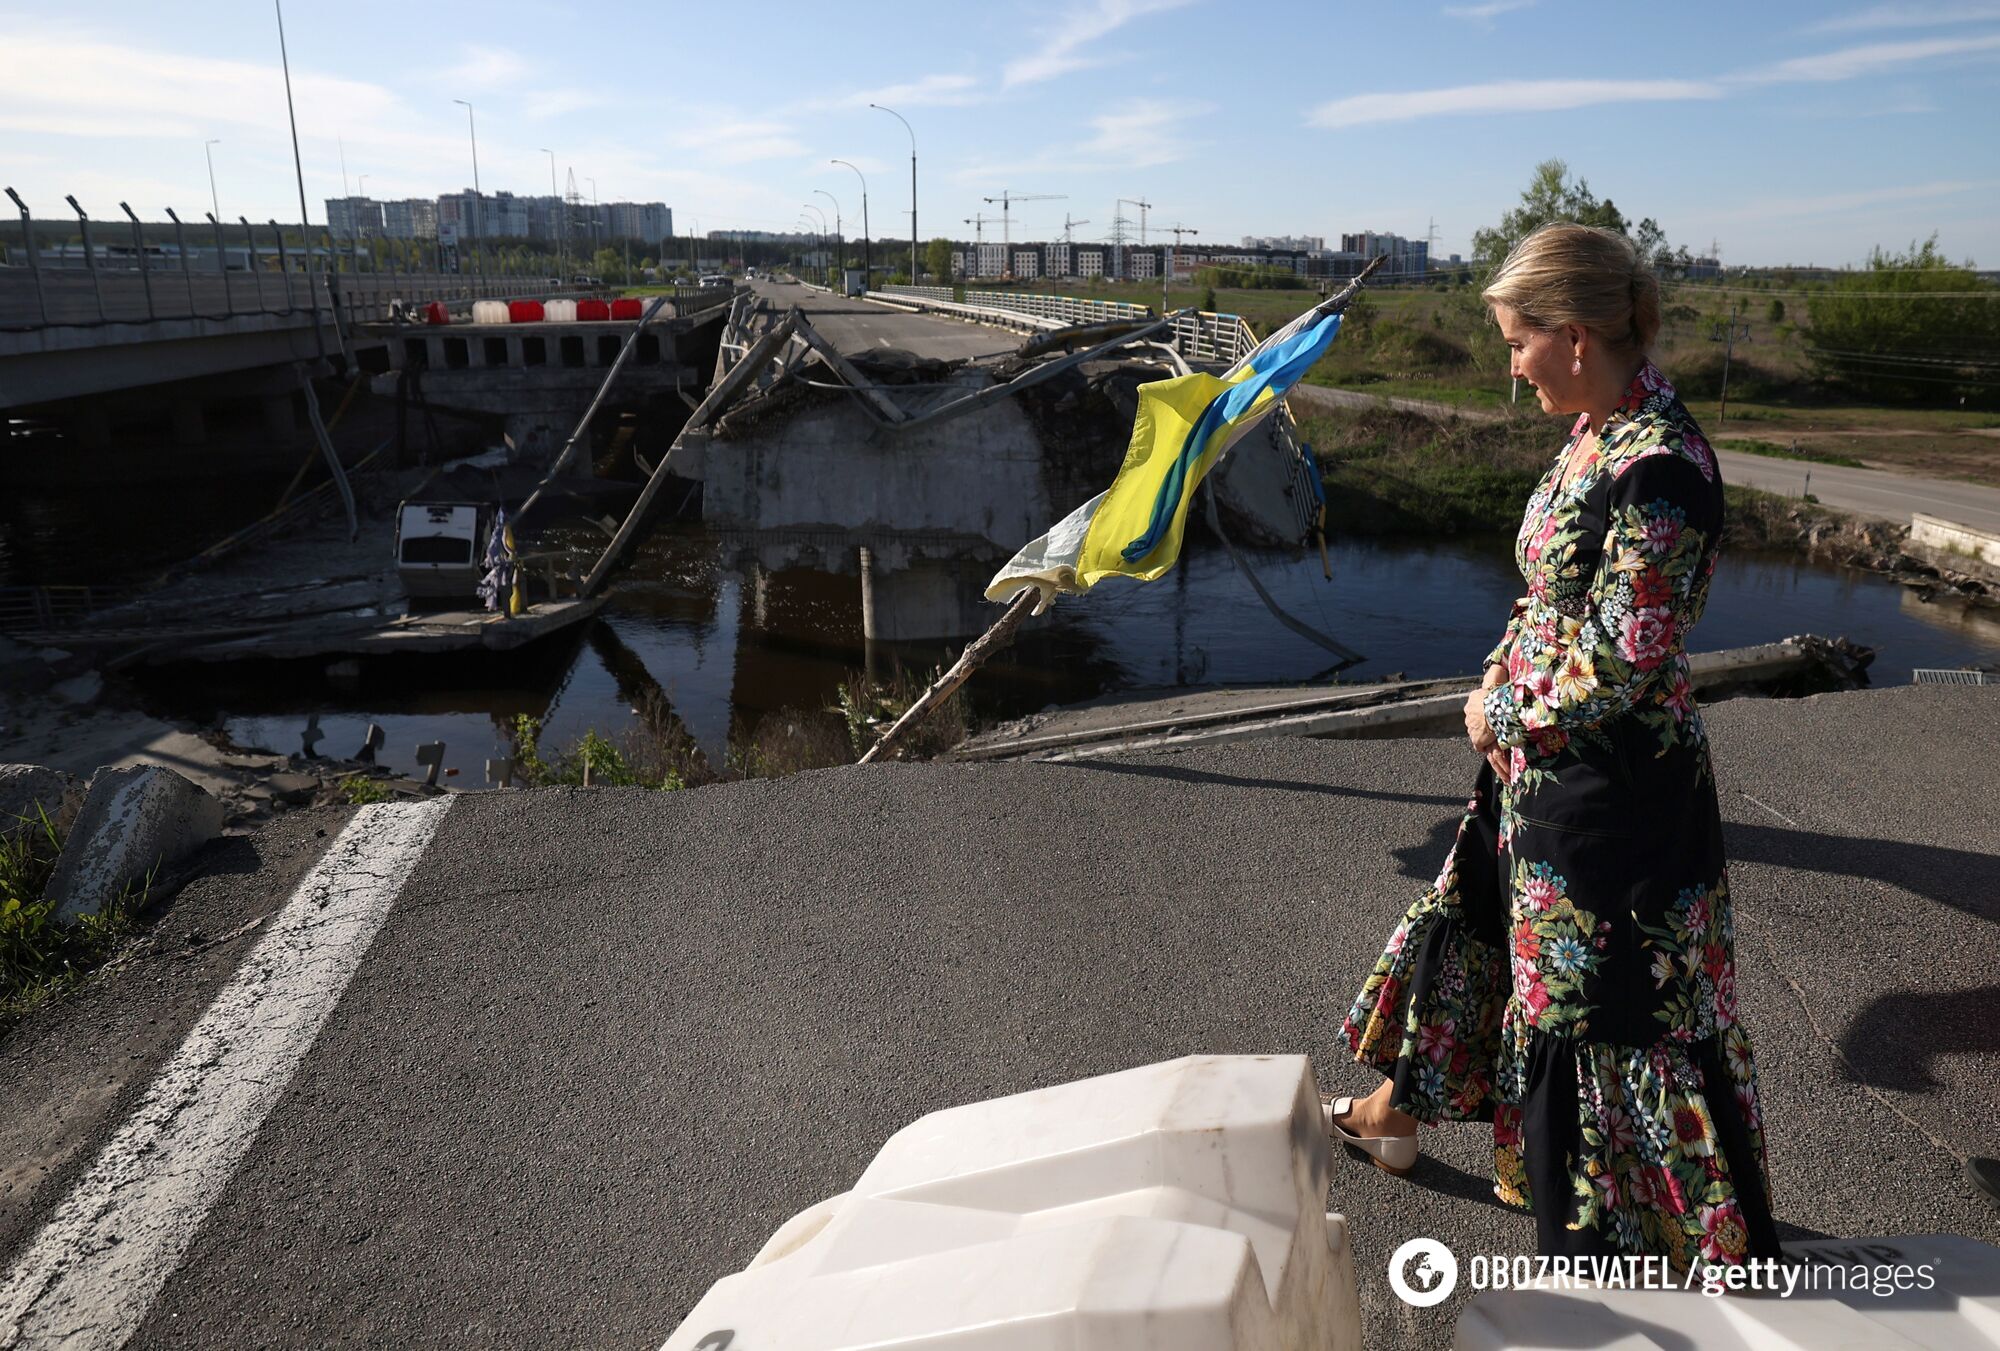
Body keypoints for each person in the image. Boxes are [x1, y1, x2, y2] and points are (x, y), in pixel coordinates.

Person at [1327, 221, 1781, 1272]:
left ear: (1573, 335)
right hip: (1542, 768)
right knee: (1485, 931)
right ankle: (1399, 1116)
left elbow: (1624, 655)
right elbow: (1550, 597)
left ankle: (1643, 1272)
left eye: (1515, 339)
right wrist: (1497, 669)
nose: (1508, 361)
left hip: (1614, 799)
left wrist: (1502, 713)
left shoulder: (1660, 468)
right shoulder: (1594, 432)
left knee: (1601, 1012)